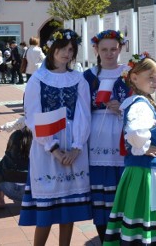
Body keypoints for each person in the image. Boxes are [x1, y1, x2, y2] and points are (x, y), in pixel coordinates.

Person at [19, 29, 92, 246]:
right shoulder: (38, 79)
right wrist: (54, 148)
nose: (66, 53)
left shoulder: (78, 79)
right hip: (46, 146)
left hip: (73, 142)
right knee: (46, 209)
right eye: (61, 48)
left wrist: (77, 147)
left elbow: (83, 113)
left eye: (71, 50)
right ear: (52, 49)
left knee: (67, 210)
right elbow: (32, 115)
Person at [104, 53, 156, 245]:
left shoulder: (143, 101)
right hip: (147, 175)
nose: (154, 82)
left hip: (147, 172)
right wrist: (142, 147)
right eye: (150, 78)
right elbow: (136, 131)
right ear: (134, 78)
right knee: (148, 223)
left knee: (144, 224)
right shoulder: (140, 104)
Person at [83, 30, 131, 242]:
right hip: (97, 137)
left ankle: (124, 234)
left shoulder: (130, 73)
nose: (109, 53)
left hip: (122, 134)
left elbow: (144, 101)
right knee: (101, 190)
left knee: (122, 188)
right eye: (104, 49)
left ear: (120, 48)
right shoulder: (88, 76)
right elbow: (80, 109)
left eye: (113, 49)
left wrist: (123, 107)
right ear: (96, 50)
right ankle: (104, 237)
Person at [0, 124, 32, 209]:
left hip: (8, 188)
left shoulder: (13, 140)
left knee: (4, 164)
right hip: (30, 191)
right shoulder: (39, 144)